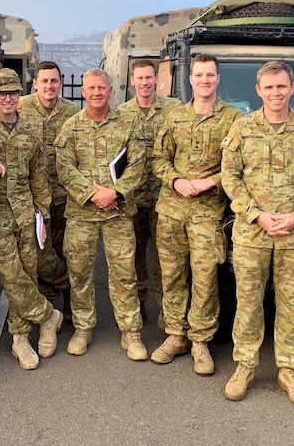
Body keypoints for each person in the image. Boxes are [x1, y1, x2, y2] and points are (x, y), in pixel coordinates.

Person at [220, 61, 294, 407]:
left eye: (281, 86)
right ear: (259, 91)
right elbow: (230, 177)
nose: (275, 93)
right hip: (253, 234)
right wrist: (256, 215)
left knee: (291, 304)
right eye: (269, 87)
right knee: (249, 303)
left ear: (292, 88)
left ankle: (289, 369)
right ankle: (245, 366)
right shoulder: (243, 128)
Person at [150, 53, 240, 376]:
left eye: (210, 75)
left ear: (218, 79)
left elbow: (236, 167)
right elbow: (159, 159)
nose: (204, 80)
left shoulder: (232, 119)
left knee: (205, 278)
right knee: (172, 274)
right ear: (190, 79)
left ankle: (200, 341)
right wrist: (176, 180)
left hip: (207, 213)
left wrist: (209, 181)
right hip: (172, 210)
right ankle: (176, 335)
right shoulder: (174, 118)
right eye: (199, 75)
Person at [54, 67, 147, 360]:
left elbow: (138, 165)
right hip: (82, 214)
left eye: (101, 88)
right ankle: (83, 328)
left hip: (118, 212)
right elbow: (64, 168)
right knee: (79, 272)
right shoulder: (71, 126)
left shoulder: (128, 124)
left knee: (124, 273)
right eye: (91, 88)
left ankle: (130, 332)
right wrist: (94, 194)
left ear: (110, 91)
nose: (96, 93)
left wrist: (115, 193)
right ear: (83, 92)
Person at [0, 68, 64, 370]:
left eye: (12, 93)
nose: (7, 98)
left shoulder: (30, 130)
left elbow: (39, 176)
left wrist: (42, 214)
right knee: (10, 274)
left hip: (27, 212)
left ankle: (20, 338)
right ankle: (47, 314)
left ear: (20, 95)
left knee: (28, 274)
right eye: (1, 93)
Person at [118, 60, 181, 325]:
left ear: (157, 79)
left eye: (149, 78)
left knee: (166, 259)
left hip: (164, 197)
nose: (144, 83)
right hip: (132, 198)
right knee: (134, 257)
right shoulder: (121, 113)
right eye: (140, 78)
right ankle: (140, 303)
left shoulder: (174, 109)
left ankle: (167, 311)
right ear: (133, 81)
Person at [17, 61, 79, 319]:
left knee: (66, 250)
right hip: (33, 197)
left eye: (54, 81)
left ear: (60, 83)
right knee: (39, 252)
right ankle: (46, 299)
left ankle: (68, 305)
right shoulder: (20, 108)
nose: (49, 86)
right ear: (35, 84)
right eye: (44, 81)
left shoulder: (72, 113)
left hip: (65, 196)